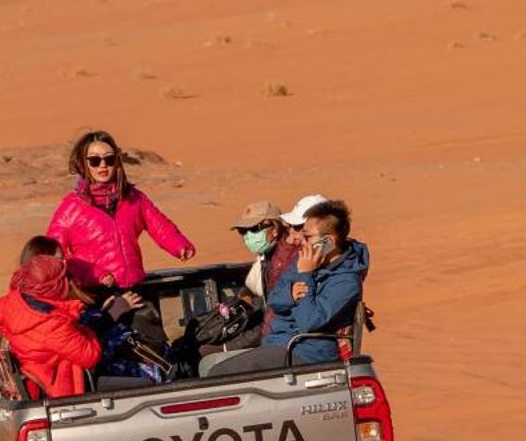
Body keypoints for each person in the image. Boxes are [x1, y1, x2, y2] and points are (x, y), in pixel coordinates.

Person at [203, 198, 367, 376]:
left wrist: (305, 275)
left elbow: (309, 322)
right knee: (208, 365)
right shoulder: (302, 260)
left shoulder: (345, 282)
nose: (301, 242)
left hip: (306, 352)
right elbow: (274, 300)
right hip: (278, 344)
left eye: (308, 236)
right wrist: (290, 294)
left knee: (219, 373)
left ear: (329, 241)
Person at [46, 129, 196, 290]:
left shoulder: (134, 198)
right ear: (83, 164)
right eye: (95, 160)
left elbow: (159, 225)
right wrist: (93, 273)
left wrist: (179, 245)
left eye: (109, 159)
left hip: (135, 287)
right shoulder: (70, 208)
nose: (103, 165)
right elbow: (53, 255)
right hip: (95, 293)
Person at [0, 236, 104, 398]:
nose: (65, 264)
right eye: (59, 261)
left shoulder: (16, 301)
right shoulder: (52, 322)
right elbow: (90, 356)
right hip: (60, 385)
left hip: (38, 370)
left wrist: (27, 343)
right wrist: (92, 326)